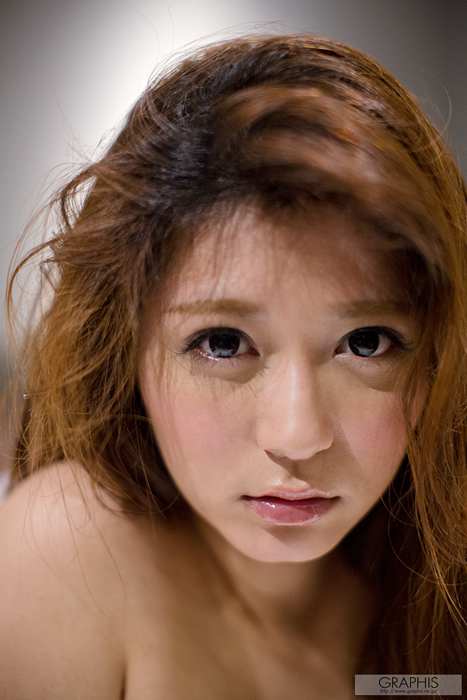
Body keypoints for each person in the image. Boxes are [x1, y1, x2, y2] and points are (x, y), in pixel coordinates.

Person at [0, 32, 465, 700]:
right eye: (221, 343)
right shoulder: (71, 549)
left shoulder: (424, 624)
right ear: (127, 350)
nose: (297, 435)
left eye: (366, 343)